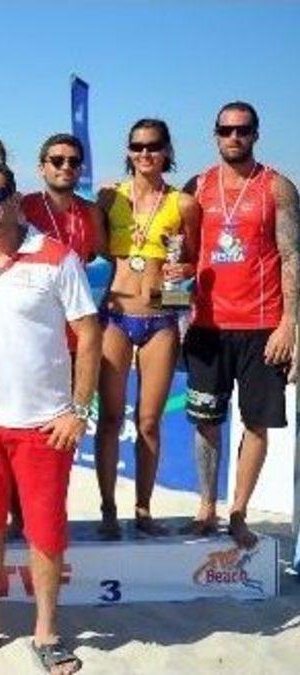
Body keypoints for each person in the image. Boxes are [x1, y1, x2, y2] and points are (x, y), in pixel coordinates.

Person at [0, 163, 98, 674]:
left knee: (45, 534)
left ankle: (46, 633)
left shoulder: (57, 256)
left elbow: (89, 333)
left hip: (43, 424)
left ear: (14, 198)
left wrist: (80, 410)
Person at [182, 101, 299, 549]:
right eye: (226, 130)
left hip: (262, 327)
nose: (234, 137)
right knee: (206, 421)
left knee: (255, 424)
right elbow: (184, 251)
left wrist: (290, 324)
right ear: (216, 135)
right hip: (208, 325)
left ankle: (238, 512)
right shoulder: (198, 186)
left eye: (243, 130)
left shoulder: (277, 187)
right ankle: (205, 507)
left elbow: (292, 257)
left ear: (255, 134)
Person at [94, 120, 199, 539]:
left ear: (167, 150)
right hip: (116, 316)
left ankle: (143, 509)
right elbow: (96, 249)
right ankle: (107, 509)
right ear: (128, 151)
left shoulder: (183, 203)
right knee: (110, 419)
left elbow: (193, 260)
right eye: (137, 146)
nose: (145, 153)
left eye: (153, 146)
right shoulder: (110, 197)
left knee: (150, 422)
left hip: (161, 317)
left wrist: (183, 271)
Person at [21, 134, 104, 264]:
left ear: (80, 170)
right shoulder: (23, 207)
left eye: (73, 162)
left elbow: (102, 256)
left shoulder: (92, 212)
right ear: (41, 169)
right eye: (57, 161)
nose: (66, 167)